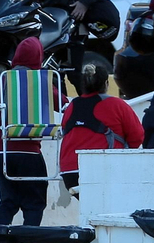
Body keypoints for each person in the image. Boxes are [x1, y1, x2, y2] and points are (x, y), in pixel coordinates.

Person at [0, 36, 49, 226]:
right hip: (30, 153)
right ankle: (28, 242)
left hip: (2, 153)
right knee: (34, 204)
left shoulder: (3, 80)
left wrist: (2, 121)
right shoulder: (40, 81)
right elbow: (64, 103)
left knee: (8, 202)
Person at [58, 61, 143, 191]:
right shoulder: (116, 105)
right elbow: (137, 137)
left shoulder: (72, 106)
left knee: (89, 202)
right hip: (102, 170)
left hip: (69, 173)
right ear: (106, 83)